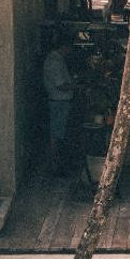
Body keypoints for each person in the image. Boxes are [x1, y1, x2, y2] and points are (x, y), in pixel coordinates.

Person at [41, 27, 76, 173]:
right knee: (56, 135)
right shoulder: (54, 61)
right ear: (65, 47)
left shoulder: (58, 59)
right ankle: (55, 166)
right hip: (58, 102)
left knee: (59, 134)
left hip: (61, 101)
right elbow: (61, 85)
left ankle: (58, 164)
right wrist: (76, 85)